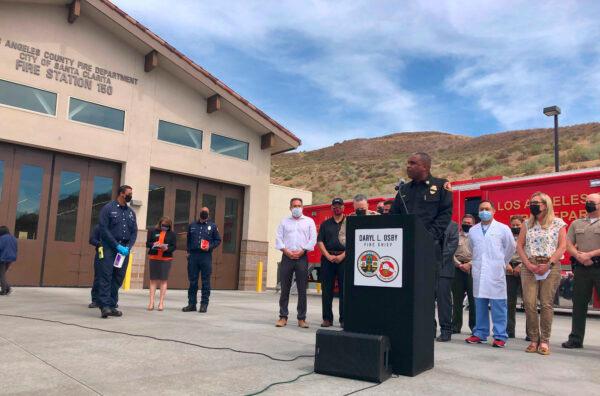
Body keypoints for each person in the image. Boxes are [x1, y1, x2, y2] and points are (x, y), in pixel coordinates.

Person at [517, 192, 566, 355]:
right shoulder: (526, 224)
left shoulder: (558, 223)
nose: (533, 205)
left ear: (545, 204)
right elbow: (520, 246)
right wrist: (528, 264)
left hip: (550, 266)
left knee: (546, 304)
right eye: (531, 202)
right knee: (529, 304)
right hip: (529, 266)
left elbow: (562, 247)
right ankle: (533, 339)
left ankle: (544, 341)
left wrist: (549, 263)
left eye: (536, 202)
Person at [465, 201, 515, 348]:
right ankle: (480, 333)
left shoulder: (503, 228)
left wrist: (502, 262)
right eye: (481, 209)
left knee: (498, 305)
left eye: (487, 209)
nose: (484, 211)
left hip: (495, 272)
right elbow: (471, 248)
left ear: (494, 211)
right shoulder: (473, 230)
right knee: (479, 305)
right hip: (479, 272)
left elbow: (511, 247)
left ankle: (500, 336)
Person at [562, 193, 600, 349]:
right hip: (581, 269)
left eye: (592, 202)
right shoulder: (576, 223)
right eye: (587, 202)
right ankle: (576, 339)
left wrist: (590, 255)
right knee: (579, 304)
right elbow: (568, 243)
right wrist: (579, 256)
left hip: (598, 266)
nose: (588, 204)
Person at [275, 197, 317, 328]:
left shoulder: (309, 221)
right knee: (285, 288)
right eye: (294, 206)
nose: (297, 208)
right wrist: (286, 251)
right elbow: (278, 238)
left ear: (302, 207)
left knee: (301, 289)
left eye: (299, 205)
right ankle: (283, 317)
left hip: (302, 257)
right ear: (290, 208)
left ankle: (301, 318)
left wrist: (303, 251)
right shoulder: (284, 222)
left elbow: (313, 238)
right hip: (287, 257)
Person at [97, 185, 138, 318]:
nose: (131, 196)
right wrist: (116, 245)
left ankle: (112, 305)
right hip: (109, 248)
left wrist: (129, 247)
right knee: (106, 276)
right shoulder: (108, 208)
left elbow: (134, 231)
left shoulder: (131, 212)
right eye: (129, 193)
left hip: (123, 251)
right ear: (121, 194)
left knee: (118, 277)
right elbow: (103, 229)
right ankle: (104, 306)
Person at [182, 207, 221, 313]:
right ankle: (192, 304)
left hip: (205, 256)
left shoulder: (212, 226)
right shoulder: (192, 225)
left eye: (206, 212)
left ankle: (204, 304)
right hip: (193, 256)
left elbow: (218, 240)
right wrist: (188, 252)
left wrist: (210, 246)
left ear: (208, 214)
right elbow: (188, 240)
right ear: (199, 213)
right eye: (202, 211)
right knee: (193, 281)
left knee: (205, 281)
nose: (204, 213)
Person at [317, 198, 346, 328]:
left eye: (339, 205)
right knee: (327, 290)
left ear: (343, 207)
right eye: (334, 206)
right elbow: (320, 242)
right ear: (331, 208)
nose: (336, 208)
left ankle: (344, 319)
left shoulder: (348, 223)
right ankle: (327, 319)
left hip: (344, 259)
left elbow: (353, 242)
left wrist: (342, 256)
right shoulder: (325, 224)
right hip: (327, 259)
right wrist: (328, 255)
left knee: (344, 291)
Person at [452, 214, 476, 334]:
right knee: (457, 300)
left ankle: (474, 327)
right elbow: (450, 252)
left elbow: (480, 254)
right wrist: (459, 265)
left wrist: (469, 264)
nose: (467, 224)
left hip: (472, 270)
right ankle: (455, 326)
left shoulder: (477, 237)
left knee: (473, 300)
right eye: (465, 222)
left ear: (473, 224)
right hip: (457, 269)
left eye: (469, 223)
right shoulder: (455, 236)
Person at [146, 216, 177, 311]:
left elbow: (174, 246)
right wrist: (153, 245)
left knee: (163, 280)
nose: (164, 227)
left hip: (166, 258)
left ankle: (161, 303)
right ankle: (151, 302)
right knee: (153, 280)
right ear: (160, 224)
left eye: (167, 226)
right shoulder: (153, 231)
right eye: (163, 225)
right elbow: (148, 243)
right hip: (154, 257)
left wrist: (167, 248)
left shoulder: (172, 234)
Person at [436, 221, 459, 341]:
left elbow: (452, 246)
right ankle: (429, 329)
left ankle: (446, 330)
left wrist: (435, 259)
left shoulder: (453, 226)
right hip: (426, 268)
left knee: (443, 302)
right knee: (426, 302)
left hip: (444, 269)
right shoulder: (427, 223)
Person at [506, 215, 525, 338]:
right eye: (513, 225)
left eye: (518, 225)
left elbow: (531, 253)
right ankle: (509, 331)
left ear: (523, 225)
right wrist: (506, 264)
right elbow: (501, 251)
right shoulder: (507, 237)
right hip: (508, 270)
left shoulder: (527, 237)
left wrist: (521, 266)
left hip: (525, 269)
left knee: (529, 302)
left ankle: (531, 333)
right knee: (509, 303)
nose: (515, 227)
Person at [0, 226, 18, 296]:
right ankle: (7, 288)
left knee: (1, 275)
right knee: (2, 274)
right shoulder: (13, 238)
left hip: (2, 258)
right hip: (10, 259)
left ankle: (5, 290)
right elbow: (16, 249)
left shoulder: (2, 238)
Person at [88, 224, 102, 308]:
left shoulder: (115, 227)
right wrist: (99, 243)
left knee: (112, 278)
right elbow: (92, 240)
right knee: (98, 277)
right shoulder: (99, 227)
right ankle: (95, 300)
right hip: (101, 253)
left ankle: (111, 301)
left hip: (113, 255)